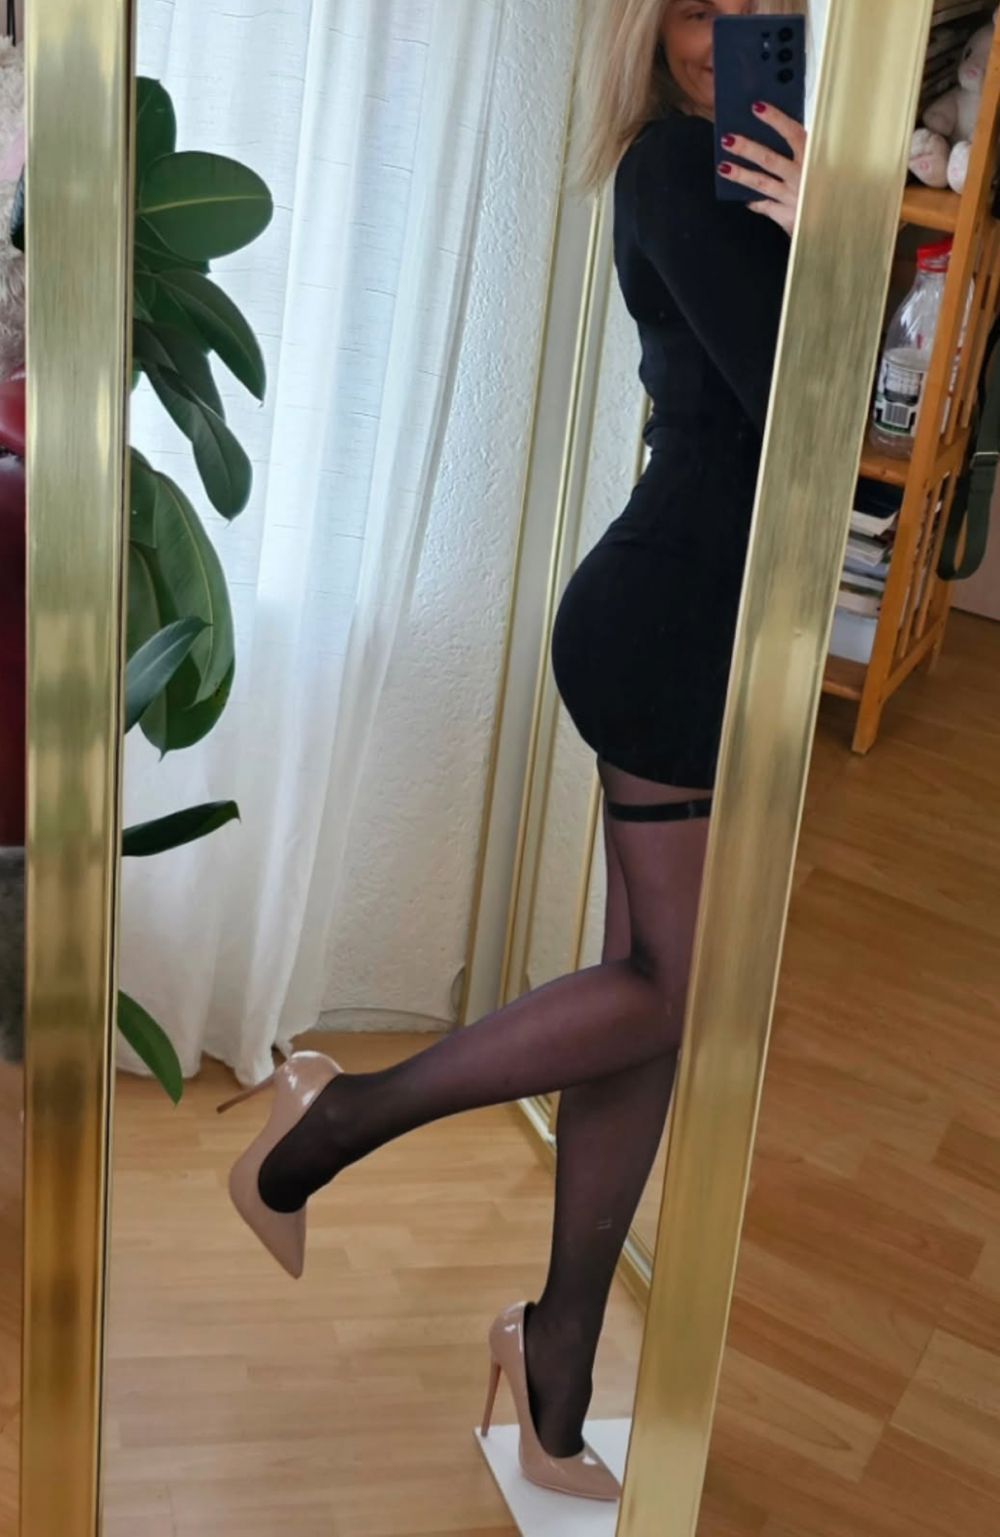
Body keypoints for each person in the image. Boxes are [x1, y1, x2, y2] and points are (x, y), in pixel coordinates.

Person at [221, 0, 808, 1504]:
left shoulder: (766, 185)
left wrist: (829, 223)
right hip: (666, 623)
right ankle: (335, 1121)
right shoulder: (673, 169)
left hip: (718, 635)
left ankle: (554, 1366)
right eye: (700, 9)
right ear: (650, 31)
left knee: (647, 1009)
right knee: (670, 988)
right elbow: (790, 410)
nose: (732, 35)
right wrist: (829, 236)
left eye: (766, 5)